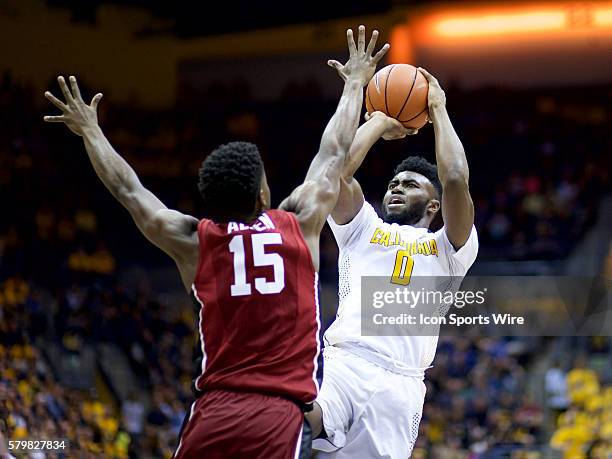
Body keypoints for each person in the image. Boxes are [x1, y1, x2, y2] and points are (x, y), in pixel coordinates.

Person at [43, 25, 389, 459]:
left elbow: (129, 191)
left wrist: (90, 131)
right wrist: (356, 81)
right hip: (277, 414)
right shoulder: (298, 222)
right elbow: (333, 153)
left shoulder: (195, 241)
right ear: (263, 194)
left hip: (215, 411)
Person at [307, 68, 479, 458]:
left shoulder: (450, 249)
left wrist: (438, 109)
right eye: (393, 183)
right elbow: (333, 174)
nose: (397, 187)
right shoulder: (361, 227)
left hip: (400, 385)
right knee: (297, 420)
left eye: (411, 184)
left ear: (434, 204)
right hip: (345, 361)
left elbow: (454, 177)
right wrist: (379, 122)